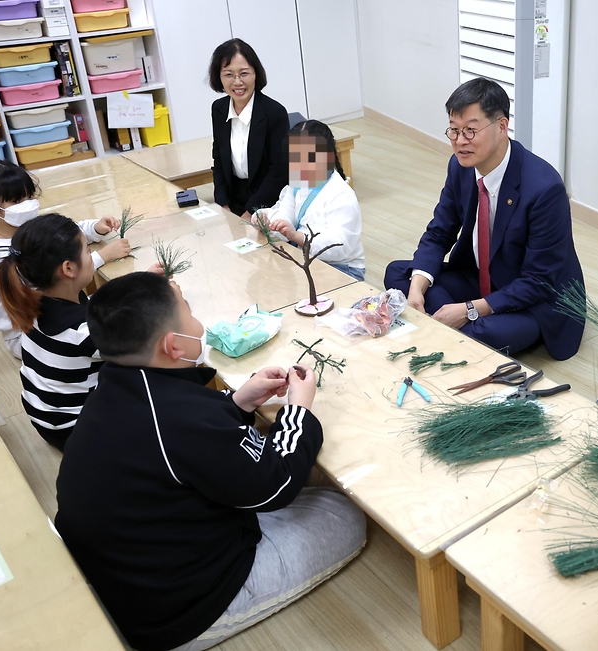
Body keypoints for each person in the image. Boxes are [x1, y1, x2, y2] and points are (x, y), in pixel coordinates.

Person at [55, 272, 366, 651]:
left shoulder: (119, 385)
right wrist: (299, 410)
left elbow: (190, 440)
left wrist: (240, 402)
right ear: (173, 345)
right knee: (342, 511)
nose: (197, 321)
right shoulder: (179, 419)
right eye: (187, 310)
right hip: (176, 611)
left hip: (128, 575)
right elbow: (276, 485)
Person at [384, 77, 585, 360]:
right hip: (479, 277)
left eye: (470, 131)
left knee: (489, 333)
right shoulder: (460, 166)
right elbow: (439, 232)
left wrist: (468, 309)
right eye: (453, 130)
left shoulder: (544, 188)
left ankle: (454, 322)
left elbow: (538, 281)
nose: (459, 142)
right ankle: (452, 323)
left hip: (532, 298)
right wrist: (417, 287)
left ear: (501, 127)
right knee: (399, 274)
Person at [0, 213, 131, 450]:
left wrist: (136, 286)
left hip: (48, 419)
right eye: (87, 251)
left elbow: (97, 310)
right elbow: (142, 343)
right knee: (146, 377)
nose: (90, 255)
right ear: (68, 268)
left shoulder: (35, 302)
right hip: (77, 433)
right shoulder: (81, 333)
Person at [0, 161, 129, 359]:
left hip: (52, 313)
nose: (28, 204)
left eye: (29, 196)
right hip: (29, 334)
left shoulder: (26, 228)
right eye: (17, 201)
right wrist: (102, 256)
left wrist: (96, 228)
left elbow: (70, 235)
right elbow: (53, 278)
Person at [258, 119, 365, 281]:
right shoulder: (297, 183)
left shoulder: (341, 194)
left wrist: (296, 236)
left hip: (341, 268)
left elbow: (338, 246)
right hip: (305, 257)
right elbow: (285, 213)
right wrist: (270, 221)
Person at [209, 38, 289, 219]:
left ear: (256, 74)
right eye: (228, 74)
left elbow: (278, 172)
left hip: (268, 202)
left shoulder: (275, 113)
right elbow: (219, 161)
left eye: (244, 73)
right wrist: (223, 204)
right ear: (219, 77)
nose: (237, 82)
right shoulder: (219, 109)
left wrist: (250, 213)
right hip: (233, 198)